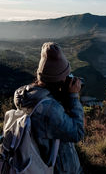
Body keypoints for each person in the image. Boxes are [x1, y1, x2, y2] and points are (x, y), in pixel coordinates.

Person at [14, 42, 84, 174]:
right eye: (66, 76)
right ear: (59, 80)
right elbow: (78, 132)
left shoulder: (25, 95)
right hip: (58, 169)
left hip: (36, 163)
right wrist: (73, 96)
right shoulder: (49, 110)